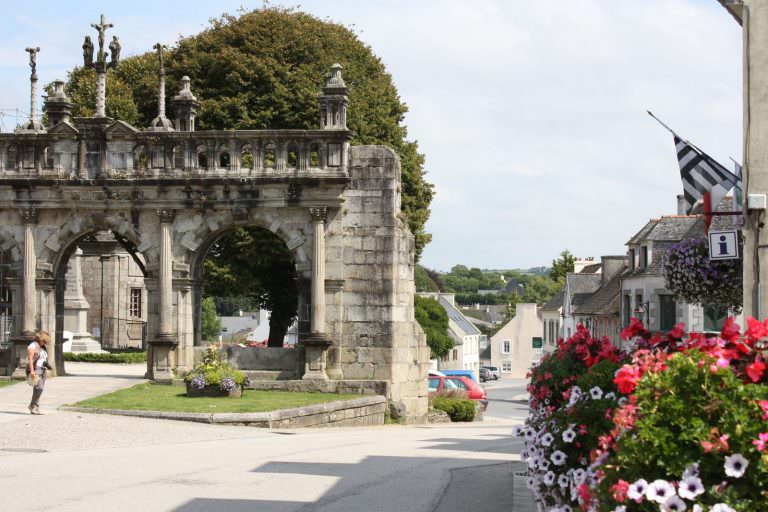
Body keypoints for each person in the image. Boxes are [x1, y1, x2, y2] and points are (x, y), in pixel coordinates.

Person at [27, 331, 52, 415]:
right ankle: (33, 406)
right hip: (36, 368)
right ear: (40, 339)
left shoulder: (43, 347)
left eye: (46, 342)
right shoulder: (33, 345)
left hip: (43, 369)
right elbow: (30, 359)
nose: (45, 343)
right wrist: (32, 371)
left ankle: (34, 407)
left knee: (39, 389)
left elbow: (43, 359)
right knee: (39, 388)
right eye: (44, 341)